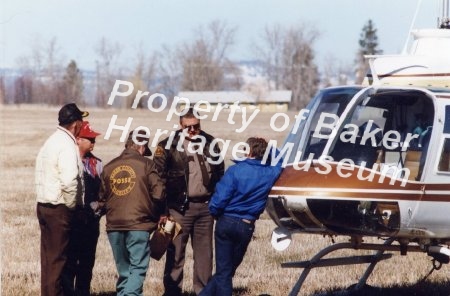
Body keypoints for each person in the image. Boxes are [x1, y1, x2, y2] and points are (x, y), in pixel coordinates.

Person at [153, 107, 224, 296]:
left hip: (206, 208)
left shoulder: (211, 143)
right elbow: (157, 180)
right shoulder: (167, 145)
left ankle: (203, 292)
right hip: (178, 209)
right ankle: (173, 292)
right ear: (180, 125)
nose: (192, 131)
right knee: (175, 254)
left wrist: (217, 202)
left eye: (196, 127)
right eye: (188, 127)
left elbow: (219, 174)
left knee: (205, 256)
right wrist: (163, 210)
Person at [199, 137, 283, 296]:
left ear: (248, 151)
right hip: (247, 225)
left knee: (224, 271)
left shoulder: (235, 170)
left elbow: (220, 198)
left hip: (227, 221)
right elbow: (280, 161)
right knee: (228, 270)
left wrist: (215, 213)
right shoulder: (270, 173)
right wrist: (271, 147)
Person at [99, 129, 165, 296]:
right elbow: (159, 193)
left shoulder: (108, 167)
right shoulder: (147, 164)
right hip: (139, 225)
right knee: (137, 269)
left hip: (114, 226)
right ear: (142, 147)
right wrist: (158, 213)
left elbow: (101, 198)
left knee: (124, 271)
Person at [35, 103, 88, 296]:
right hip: (59, 210)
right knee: (58, 262)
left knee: (49, 261)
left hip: (44, 205)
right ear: (75, 124)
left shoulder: (51, 141)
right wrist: (73, 207)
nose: (82, 126)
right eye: (81, 122)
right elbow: (69, 181)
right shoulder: (66, 145)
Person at [62, 121, 103, 296]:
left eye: (94, 139)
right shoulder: (67, 160)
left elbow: (103, 193)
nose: (93, 142)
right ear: (78, 139)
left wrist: (99, 208)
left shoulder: (98, 164)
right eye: (89, 138)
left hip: (91, 223)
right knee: (69, 262)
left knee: (87, 262)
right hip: (71, 221)